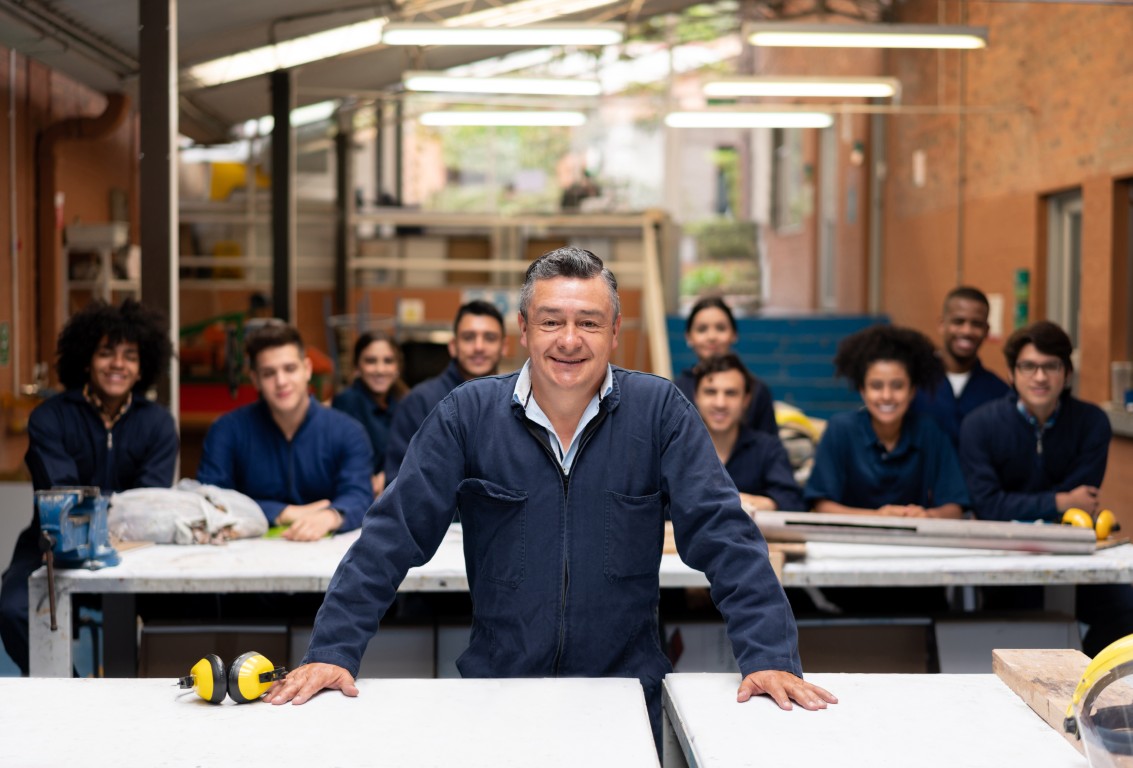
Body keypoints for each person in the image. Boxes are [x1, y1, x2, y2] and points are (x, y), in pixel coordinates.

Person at [266, 247, 836, 748]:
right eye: (551, 321)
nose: (568, 340)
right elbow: (390, 537)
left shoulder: (659, 413)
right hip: (497, 694)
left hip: (627, 695)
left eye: (589, 322)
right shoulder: (467, 416)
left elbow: (725, 535)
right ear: (524, 329)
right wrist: (332, 651)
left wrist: (768, 658)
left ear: (615, 332)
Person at [0, 299, 177, 675]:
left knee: (191, 608)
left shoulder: (158, 424)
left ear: (142, 365)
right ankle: (72, 688)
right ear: (85, 359)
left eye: (130, 355)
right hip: (51, 547)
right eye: (106, 353)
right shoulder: (50, 418)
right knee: (13, 609)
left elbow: (149, 506)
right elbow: (64, 500)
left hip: (137, 549)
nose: (118, 364)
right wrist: (120, 507)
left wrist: (119, 510)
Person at [959, 320, 1133, 655]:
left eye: (1050, 366)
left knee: (1126, 610)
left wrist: (1057, 503)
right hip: (1004, 555)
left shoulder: (1092, 422)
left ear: (1067, 374)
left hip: (1075, 554)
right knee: (1012, 630)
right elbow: (988, 505)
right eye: (1028, 366)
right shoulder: (980, 425)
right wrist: (1060, 500)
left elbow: (1081, 506)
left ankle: (1085, 683)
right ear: (1012, 373)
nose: (1040, 377)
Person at [196, 322, 373, 541]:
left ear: (307, 369)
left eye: (290, 369)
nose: (281, 382)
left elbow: (360, 495)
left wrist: (331, 516)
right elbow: (208, 498)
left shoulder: (348, 432)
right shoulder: (227, 431)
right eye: (269, 373)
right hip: (243, 557)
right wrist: (281, 513)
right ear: (255, 379)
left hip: (328, 557)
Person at [804, 325, 969, 519]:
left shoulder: (929, 431)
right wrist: (877, 516)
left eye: (897, 386)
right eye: (876, 386)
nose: (887, 396)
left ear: (912, 391)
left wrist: (927, 516)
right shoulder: (841, 429)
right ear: (862, 390)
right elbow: (822, 505)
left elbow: (955, 507)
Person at [384, 300, 507, 484]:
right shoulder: (419, 402)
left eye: (489, 338)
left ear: (504, 347)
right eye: (468, 337)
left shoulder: (516, 402)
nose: (479, 347)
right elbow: (399, 481)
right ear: (452, 346)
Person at [693, 353, 803, 512]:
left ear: (746, 400)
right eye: (710, 392)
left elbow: (793, 502)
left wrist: (762, 503)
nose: (720, 403)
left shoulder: (768, 448)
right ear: (696, 396)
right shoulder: (677, 450)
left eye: (731, 393)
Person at [915, 286, 1010, 447]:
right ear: (942, 324)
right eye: (958, 321)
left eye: (976, 324)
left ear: (986, 331)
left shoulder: (1000, 394)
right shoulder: (914, 382)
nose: (967, 331)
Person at [675, 297, 777, 436]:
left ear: (734, 334)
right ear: (689, 337)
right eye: (702, 329)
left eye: (720, 328)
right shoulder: (675, 392)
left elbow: (769, 448)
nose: (712, 336)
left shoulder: (757, 390)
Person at [331, 332, 408, 497]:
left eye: (388, 361)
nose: (380, 370)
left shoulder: (406, 402)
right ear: (357, 366)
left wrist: (391, 474)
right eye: (371, 361)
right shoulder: (346, 402)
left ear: (398, 367)